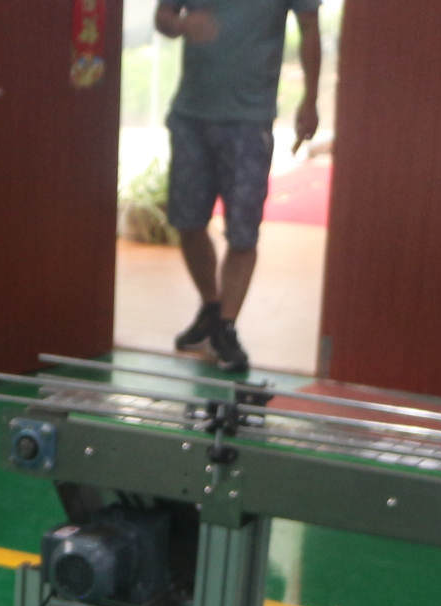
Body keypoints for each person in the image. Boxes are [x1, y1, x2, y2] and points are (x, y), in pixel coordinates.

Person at [155, 0, 321, 372]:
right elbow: (163, 17)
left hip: (250, 120)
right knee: (187, 223)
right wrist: (182, 26)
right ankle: (211, 307)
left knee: (243, 233)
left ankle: (226, 326)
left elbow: (310, 27)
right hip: (191, 116)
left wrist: (310, 100)